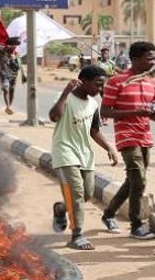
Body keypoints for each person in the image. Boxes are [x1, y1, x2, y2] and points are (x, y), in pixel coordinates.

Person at [99, 41, 155, 240]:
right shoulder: (117, 81)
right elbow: (105, 111)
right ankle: (137, 225)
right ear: (135, 59)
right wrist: (137, 111)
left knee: (132, 181)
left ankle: (109, 213)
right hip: (126, 135)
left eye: (154, 57)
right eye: (149, 58)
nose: (153, 62)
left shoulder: (152, 81)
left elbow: (154, 107)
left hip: (145, 135)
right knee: (139, 180)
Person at [50, 66, 120, 250]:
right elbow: (54, 116)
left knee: (87, 194)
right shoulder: (66, 99)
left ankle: (60, 209)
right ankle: (77, 235)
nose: (100, 89)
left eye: (102, 85)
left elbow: (94, 130)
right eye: (97, 84)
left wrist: (109, 147)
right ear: (83, 81)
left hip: (84, 155)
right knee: (76, 193)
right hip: (64, 152)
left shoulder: (93, 105)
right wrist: (66, 92)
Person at [0, 37, 25, 115]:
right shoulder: (2, 51)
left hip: (13, 75)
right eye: (13, 45)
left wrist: (13, 60)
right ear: (9, 45)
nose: (14, 47)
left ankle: (9, 107)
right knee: (6, 89)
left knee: (12, 91)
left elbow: (18, 66)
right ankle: (8, 106)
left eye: (15, 46)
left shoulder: (16, 54)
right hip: (4, 74)